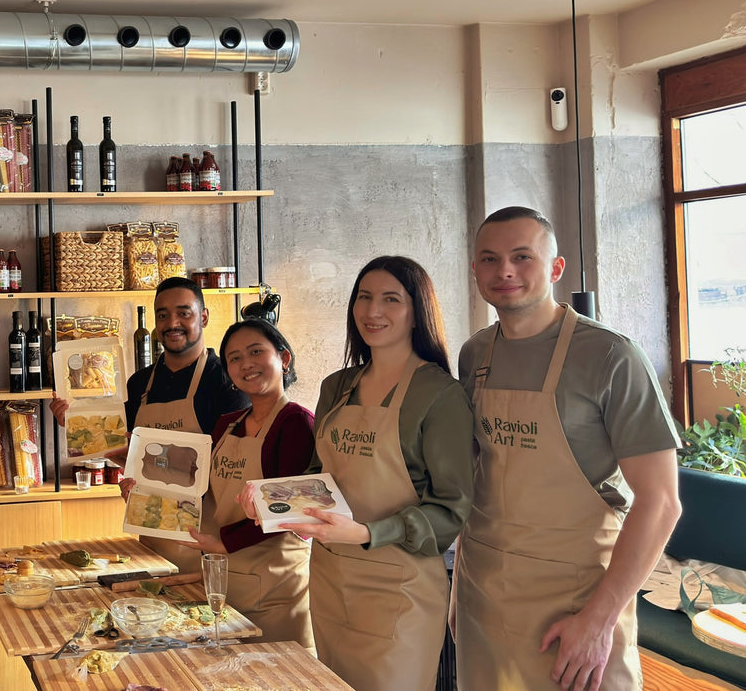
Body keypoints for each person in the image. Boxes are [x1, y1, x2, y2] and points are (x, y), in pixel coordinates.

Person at [453, 207, 682, 691]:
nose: (505, 271)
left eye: (522, 257)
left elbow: (661, 502)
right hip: (483, 593)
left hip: (577, 602)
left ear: (555, 269)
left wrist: (599, 620)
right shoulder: (474, 354)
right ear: (474, 270)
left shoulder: (610, 356)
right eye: (489, 259)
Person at [277, 256, 474, 691]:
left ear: (417, 311)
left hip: (399, 589)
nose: (373, 312)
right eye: (363, 298)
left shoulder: (440, 395)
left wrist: (365, 533)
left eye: (391, 299)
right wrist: (276, 505)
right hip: (330, 580)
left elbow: (451, 510)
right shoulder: (336, 386)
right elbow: (318, 474)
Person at [51, 277, 247, 567]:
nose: (172, 323)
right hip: (152, 535)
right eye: (163, 315)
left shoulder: (226, 382)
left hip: (208, 540)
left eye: (184, 313)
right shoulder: (140, 382)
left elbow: (231, 469)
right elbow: (124, 448)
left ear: (203, 317)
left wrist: (154, 471)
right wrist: (77, 425)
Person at [180, 318, 315, 647]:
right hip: (226, 584)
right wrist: (143, 490)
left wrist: (224, 542)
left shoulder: (296, 422)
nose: (246, 364)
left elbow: (290, 508)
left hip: (276, 589)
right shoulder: (227, 424)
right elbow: (198, 485)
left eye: (256, 351)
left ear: (284, 358)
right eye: (235, 358)